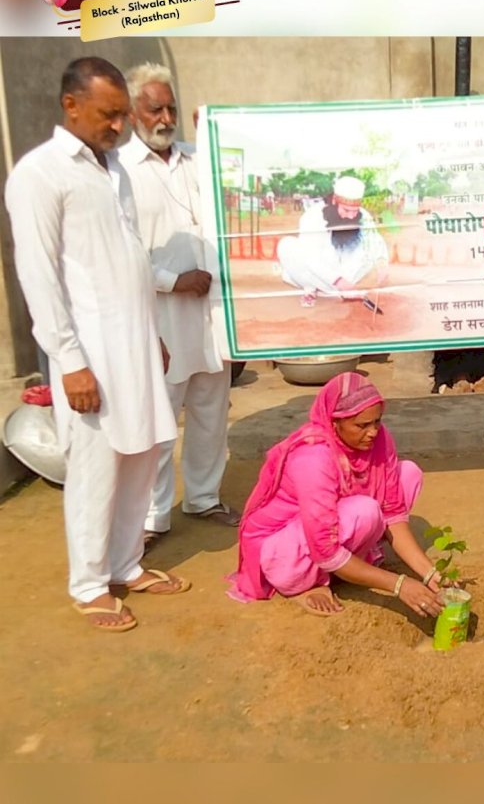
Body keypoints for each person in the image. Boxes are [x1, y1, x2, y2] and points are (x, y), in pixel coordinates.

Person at [5, 57, 190, 633]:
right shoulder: (41, 174)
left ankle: (125, 563)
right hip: (88, 351)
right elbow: (38, 275)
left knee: (141, 455)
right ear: (71, 106)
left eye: (120, 116)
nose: (118, 126)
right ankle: (89, 584)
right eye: (109, 115)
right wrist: (70, 362)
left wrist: (152, 333)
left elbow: (129, 257)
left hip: (134, 341)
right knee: (95, 466)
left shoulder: (115, 171)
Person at [119, 63, 239, 550]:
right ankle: (152, 515)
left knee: (212, 408)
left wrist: (214, 136)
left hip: (210, 313)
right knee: (160, 417)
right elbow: (119, 251)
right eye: (155, 108)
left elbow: (233, 190)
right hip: (159, 315)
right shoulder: (120, 171)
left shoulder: (196, 159)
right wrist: (172, 280)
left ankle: (204, 497)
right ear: (132, 113)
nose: (166, 117)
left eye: (171, 107)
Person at [227, 372, 445, 618]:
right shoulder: (313, 457)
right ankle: (307, 583)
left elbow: (393, 513)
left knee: (408, 474)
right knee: (364, 511)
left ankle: (346, 568)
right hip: (281, 550)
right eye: (362, 425)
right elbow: (325, 548)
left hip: (329, 526)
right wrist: (399, 584)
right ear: (334, 423)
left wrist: (430, 573)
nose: (373, 432)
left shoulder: (380, 439)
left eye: (377, 422)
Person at [276, 175, 389, 308]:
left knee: (369, 255)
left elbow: (375, 242)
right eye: (346, 210)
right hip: (318, 274)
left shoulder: (363, 216)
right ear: (334, 201)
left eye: (355, 211)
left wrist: (382, 264)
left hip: (348, 276)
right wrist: (338, 281)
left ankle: (340, 292)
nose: (352, 216)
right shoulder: (313, 216)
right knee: (286, 246)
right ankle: (312, 289)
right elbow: (310, 256)